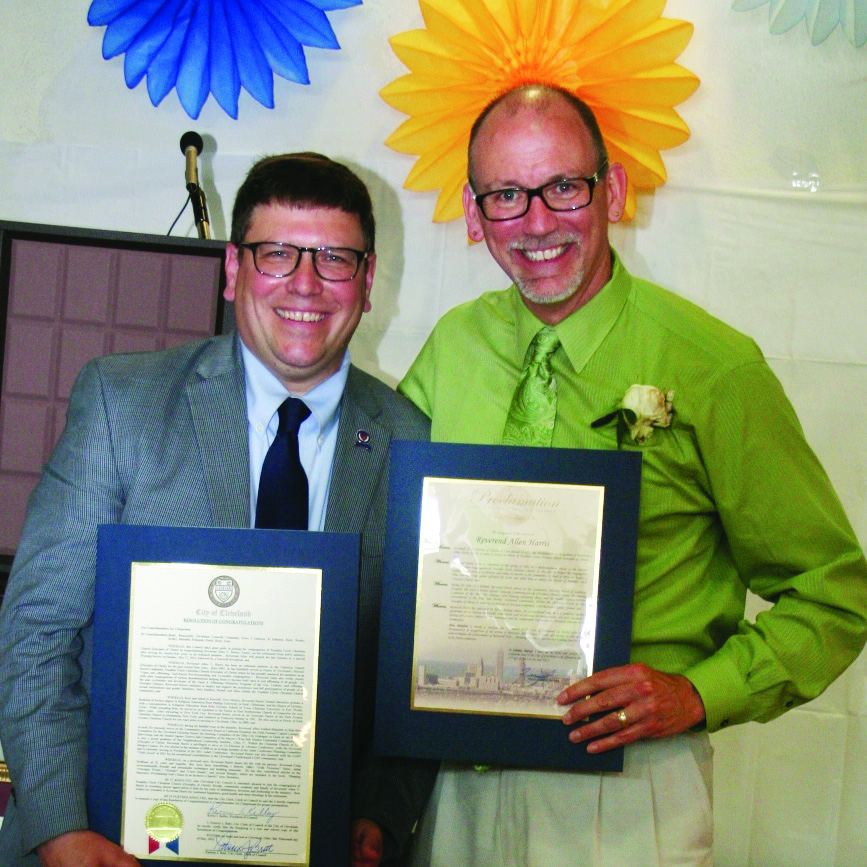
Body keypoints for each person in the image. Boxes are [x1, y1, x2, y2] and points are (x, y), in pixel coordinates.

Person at [398, 84, 867, 864]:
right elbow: (388, 537)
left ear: (610, 191)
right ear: (475, 214)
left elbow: (835, 591)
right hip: (457, 784)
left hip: (625, 792)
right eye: (507, 195)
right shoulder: (453, 346)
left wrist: (695, 693)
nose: (537, 222)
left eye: (563, 187)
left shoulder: (713, 366)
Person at [0, 152, 436, 867]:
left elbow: (406, 676)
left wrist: (378, 813)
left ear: (366, 280)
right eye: (277, 254)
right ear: (234, 269)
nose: (305, 283)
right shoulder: (122, 403)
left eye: (333, 258)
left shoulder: (408, 438)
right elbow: (36, 632)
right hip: (104, 843)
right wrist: (59, 829)